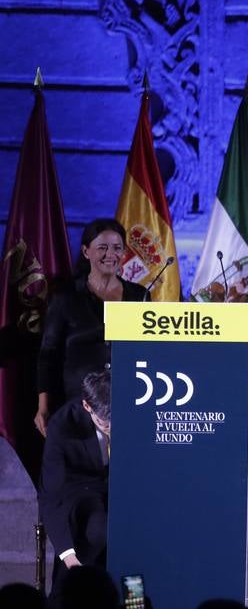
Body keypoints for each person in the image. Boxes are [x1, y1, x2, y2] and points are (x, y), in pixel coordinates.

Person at [35, 218, 149, 436]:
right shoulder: (65, 296)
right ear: (86, 252)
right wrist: (43, 408)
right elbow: (47, 355)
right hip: (76, 404)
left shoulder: (140, 295)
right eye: (102, 248)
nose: (110, 254)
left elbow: (146, 349)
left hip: (127, 402)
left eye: (117, 248)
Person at [40, 369, 113, 572]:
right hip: (82, 490)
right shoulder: (62, 425)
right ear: (87, 406)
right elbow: (51, 495)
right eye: (106, 424)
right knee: (95, 530)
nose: (114, 428)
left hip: (124, 487)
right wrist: (68, 555)